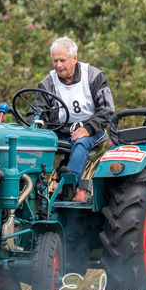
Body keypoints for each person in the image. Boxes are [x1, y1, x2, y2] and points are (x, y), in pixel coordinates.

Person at [34, 37, 115, 201]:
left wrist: (88, 128)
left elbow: (107, 109)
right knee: (34, 141)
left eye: (62, 60)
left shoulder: (93, 76)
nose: (58, 65)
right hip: (59, 131)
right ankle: (34, 190)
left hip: (91, 129)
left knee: (80, 142)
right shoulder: (47, 83)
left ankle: (68, 186)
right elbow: (36, 112)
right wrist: (37, 129)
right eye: (55, 61)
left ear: (74, 58)